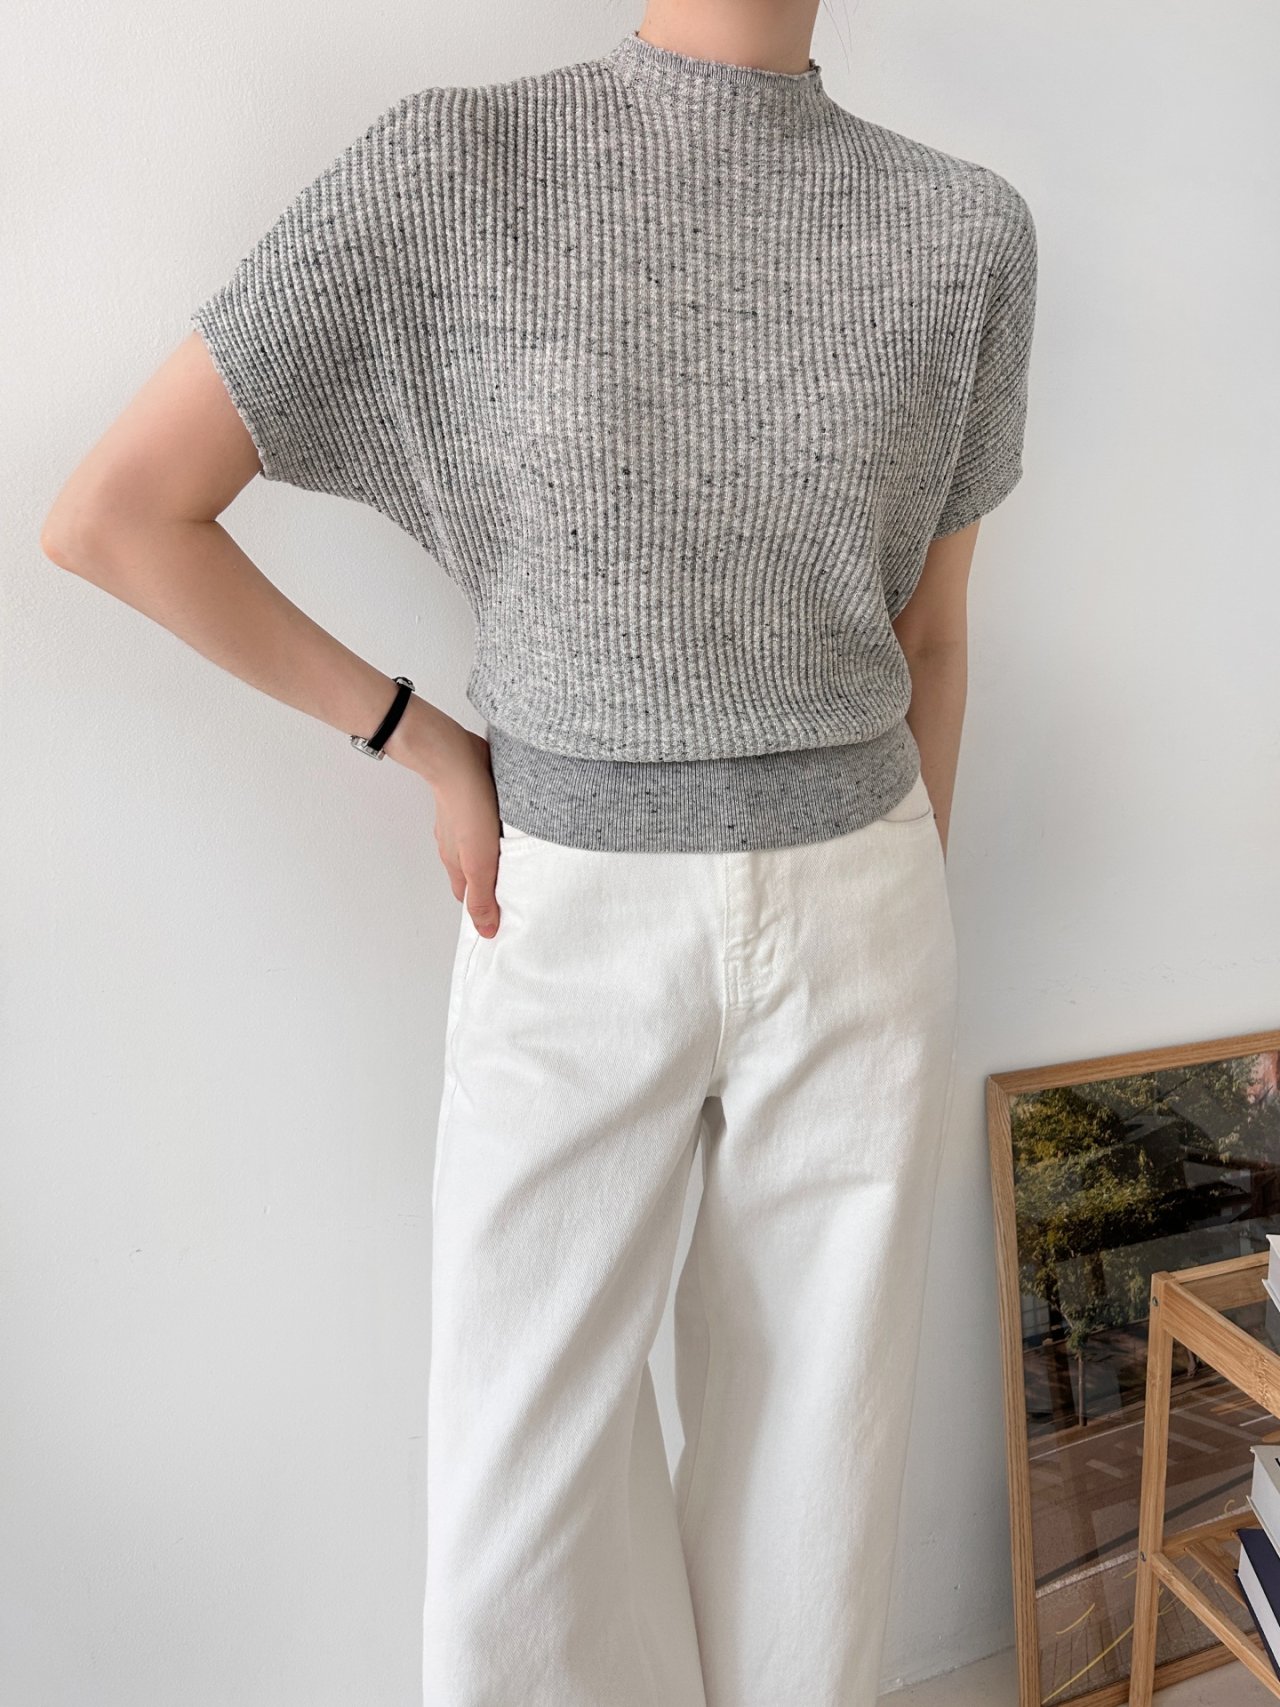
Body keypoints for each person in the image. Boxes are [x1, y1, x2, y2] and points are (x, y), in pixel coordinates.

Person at [41, 4, 1038, 1703]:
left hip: (866, 907)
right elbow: (119, 513)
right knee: (523, 1520)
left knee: (820, 1485)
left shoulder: (966, 229)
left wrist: (902, 897)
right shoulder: (458, 167)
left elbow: (932, 637)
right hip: (568, 914)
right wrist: (420, 738)